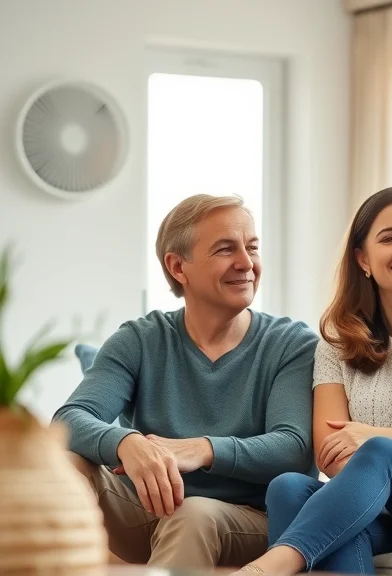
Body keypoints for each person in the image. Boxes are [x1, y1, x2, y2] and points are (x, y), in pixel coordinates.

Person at [235, 187, 392, 575]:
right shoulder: (336, 343)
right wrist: (370, 474)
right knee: (287, 487)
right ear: (363, 259)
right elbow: (330, 454)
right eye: (389, 238)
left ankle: (269, 566)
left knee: (382, 451)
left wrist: (373, 439)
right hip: (370, 511)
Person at [53, 194, 319, 568]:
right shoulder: (140, 339)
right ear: (178, 267)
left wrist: (201, 449)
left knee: (193, 514)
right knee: (66, 466)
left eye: (252, 247)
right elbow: (69, 419)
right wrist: (127, 443)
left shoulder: (291, 343)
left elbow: (293, 446)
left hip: (246, 520)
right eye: (226, 249)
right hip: (151, 506)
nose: (246, 263)